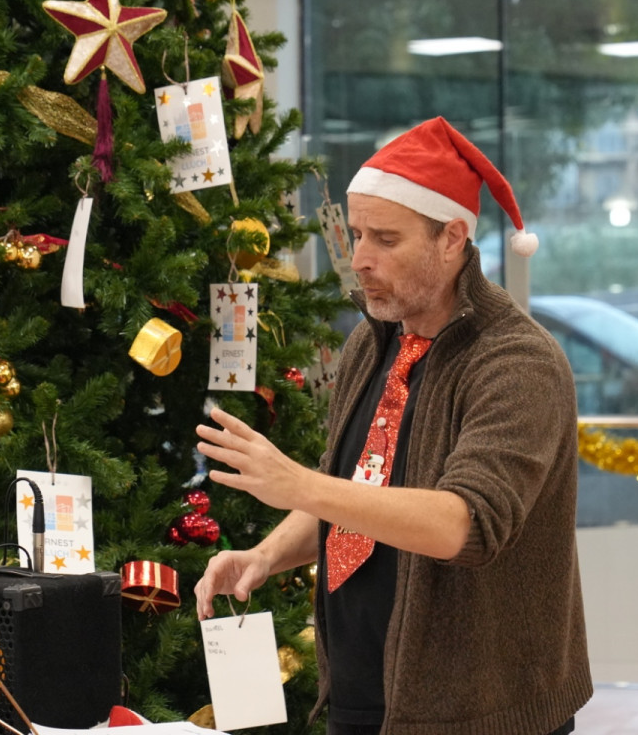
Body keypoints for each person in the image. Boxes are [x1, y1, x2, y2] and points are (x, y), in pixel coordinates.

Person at [194, 117, 592, 734]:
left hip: (481, 715)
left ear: (452, 238)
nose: (360, 260)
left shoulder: (518, 361)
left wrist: (299, 484)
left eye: (385, 239)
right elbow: (355, 493)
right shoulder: (371, 343)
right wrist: (265, 555)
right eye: (357, 234)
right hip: (360, 698)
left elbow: (465, 524)